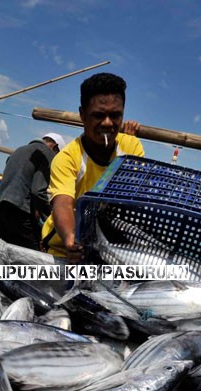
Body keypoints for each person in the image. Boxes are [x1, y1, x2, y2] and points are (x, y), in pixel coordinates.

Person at [41, 72, 143, 261]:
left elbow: (131, 200)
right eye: (98, 115)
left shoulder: (131, 147)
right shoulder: (67, 158)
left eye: (115, 116)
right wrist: (71, 239)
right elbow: (63, 203)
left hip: (105, 251)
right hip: (64, 249)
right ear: (82, 115)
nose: (107, 123)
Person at [0, 132, 65, 250]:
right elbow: (38, 192)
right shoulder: (48, 154)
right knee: (33, 257)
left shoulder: (18, 151)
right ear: (55, 147)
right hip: (18, 213)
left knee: (2, 254)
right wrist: (53, 217)